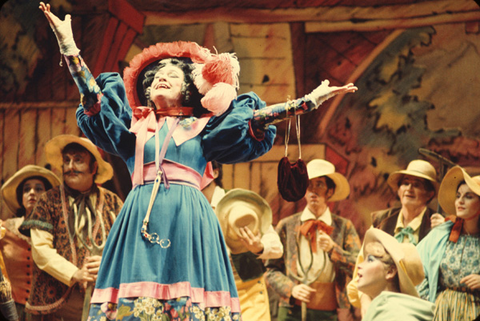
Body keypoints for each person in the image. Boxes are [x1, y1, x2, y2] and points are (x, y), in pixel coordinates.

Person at [39, 2, 357, 319]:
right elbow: (93, 99)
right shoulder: (134, 131)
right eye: (156, 76)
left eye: (172, 75)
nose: (161, 78)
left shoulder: (203, 131)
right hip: (139, 217)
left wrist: (308, 102)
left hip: (188, 218)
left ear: (189, 90)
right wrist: (69, 48)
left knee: (188, 295)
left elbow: (257, 119)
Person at [19, 135, 123, 321]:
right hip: (54, 305)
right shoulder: (48, 200)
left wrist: (108, 263)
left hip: (101, 300)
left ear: (93, 168)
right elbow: (41, 251)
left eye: (78, 160)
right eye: (66, 160)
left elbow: (126, 246)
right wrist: (75, 274)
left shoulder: (113, 202)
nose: (70, 167)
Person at [265, 159, 361, 321]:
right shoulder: (287, 226)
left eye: (319, 185)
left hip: (330, 313)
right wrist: (291, 289)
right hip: (292, 311)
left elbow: (359, 267)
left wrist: (334, 250)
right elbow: (271, 270)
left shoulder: (343, 227)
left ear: (330, 191)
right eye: (308, 185)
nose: (313, 191)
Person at [347, 159, 441, 314]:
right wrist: (365, 301)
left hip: (421, 308)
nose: (409, 189)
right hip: (383, 307)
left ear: (429, 194)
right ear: (398, 190)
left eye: (417, 185)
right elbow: (361, 269)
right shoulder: (382, 223)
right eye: (405, 183)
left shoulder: (437, 227)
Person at [416, 166, 480, 320]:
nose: (460, 201)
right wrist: (430, 301)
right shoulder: (441, 234)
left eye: (469, 196)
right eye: (458, 196)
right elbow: (417, 268)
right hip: (440, 311)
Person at [0, 165, 61, 321]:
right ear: (21, 196)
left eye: (39, 189)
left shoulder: (58, 234)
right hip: (11, 309)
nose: (32, 193)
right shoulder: (4, 230)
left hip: (46, 312)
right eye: (27, 189)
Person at [214, 188, 283, 321]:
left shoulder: (239, 204)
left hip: (250, 290)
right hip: (216, 290)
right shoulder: (194, 204)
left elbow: (277, 248)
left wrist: (259, 247)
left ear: (213, 172)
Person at [357, 228, 434, 321]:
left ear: (390, 271)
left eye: (370, 260)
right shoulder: (384, 310)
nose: (359, 265)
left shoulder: (394, 315)